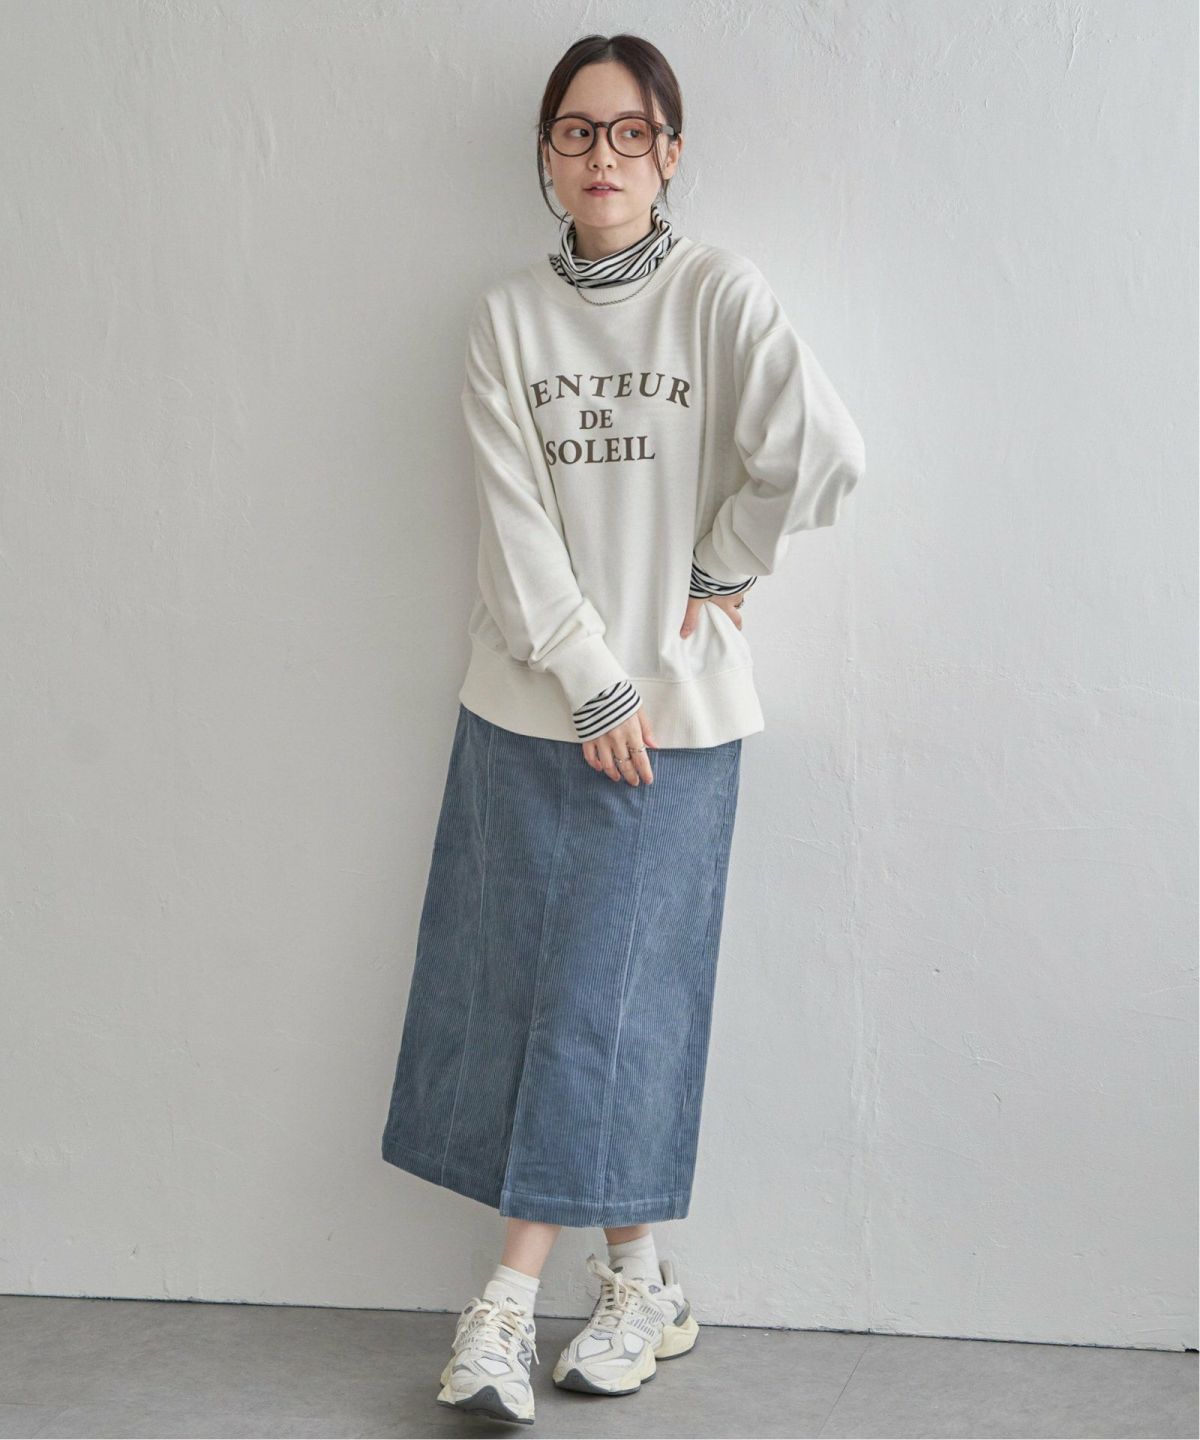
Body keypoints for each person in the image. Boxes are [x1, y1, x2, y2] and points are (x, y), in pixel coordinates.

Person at [380, 31, 866, 1428]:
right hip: (528, 707)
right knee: (538, 1001)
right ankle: (641, 1282)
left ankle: (504, 1303)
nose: (605, 156)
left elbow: (824, 454)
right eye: (578, 132)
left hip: (679, 718)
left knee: (604, 1006)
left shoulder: (719, 295)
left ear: (671, 152)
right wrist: (592, 680)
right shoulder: (505, 319)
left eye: (632, 132)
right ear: (546, 155)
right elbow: (513, 522)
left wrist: (723, 563)